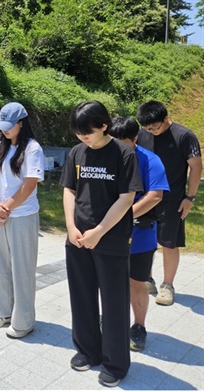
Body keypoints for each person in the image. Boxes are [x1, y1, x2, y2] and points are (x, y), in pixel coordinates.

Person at [61, 100, 142, 387]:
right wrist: (71, 226)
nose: (83, 137)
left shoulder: (123, 154)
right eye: (78, 133)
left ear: (104, 126)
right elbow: (70, 189)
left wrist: (100, 231)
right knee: (81, 296)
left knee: (114, 302)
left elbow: (126, 198)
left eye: (88, 132)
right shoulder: (76, 153)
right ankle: (87, 350)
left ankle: (115, 364)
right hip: (78, 239)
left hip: (111, 240)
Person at [109, 117, 169, 351]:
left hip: (140, 235)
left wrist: (121, 216)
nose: (117, 147)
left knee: (137, 283)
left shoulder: (151, 161)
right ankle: (112, 319)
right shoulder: (107, 157)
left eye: (122, 142)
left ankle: (138, 326)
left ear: (135, 138)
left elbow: (155, 196)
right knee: (110, 280)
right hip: (109, 233)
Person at [0, 102, 44, 338]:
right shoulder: (0, 145)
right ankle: (1, 311)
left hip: (21, 215)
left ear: (22, 123)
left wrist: (7, 207)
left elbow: (30, 184)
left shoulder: (32, 148)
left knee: (22, 268)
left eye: (10, 127)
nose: (5, 131)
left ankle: (23, 320)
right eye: (3, 127)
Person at [136, 101, 202, 306]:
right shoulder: (142, 134)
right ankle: (146, 279)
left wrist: (189, 198)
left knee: (169, 243)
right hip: (145, 197)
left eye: (155, 127)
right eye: (147, 128)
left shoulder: (184, 135)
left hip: (172, 199)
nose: (151, 131)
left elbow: (196, 168)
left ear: (166, 118)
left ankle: (167, 285)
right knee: (144, 239)